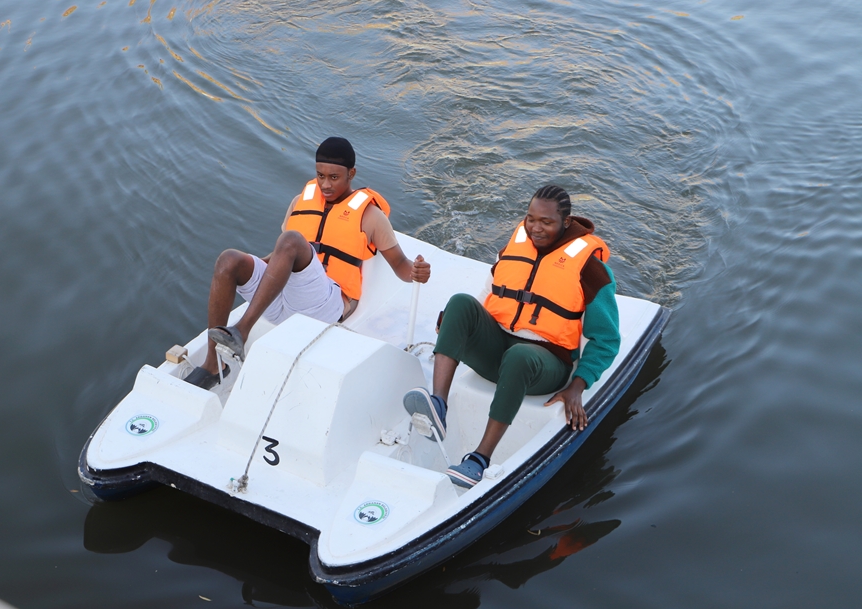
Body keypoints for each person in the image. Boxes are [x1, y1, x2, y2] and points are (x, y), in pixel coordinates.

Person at [403, 185, 620, 488]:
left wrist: (579, 384)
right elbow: (488, 291)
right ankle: (438, 406)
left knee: (519, 356)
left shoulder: (590, 268)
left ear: (566, 222)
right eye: (531, 219)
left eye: (546, 222)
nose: (535, 228)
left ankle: (479, 459)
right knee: (459, 303)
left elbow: (607, 340)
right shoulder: (518, 245)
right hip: (499, 350)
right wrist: (455, 324)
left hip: (545, 365)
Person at [185, 137, 431, 388]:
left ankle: (241, 331)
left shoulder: (370, 216)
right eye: (320, 175)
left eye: (334, 177)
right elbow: (279, 257)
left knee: (291, 240)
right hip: (284, 301)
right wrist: (250, 268)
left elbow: (400, 264)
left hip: (325, 306)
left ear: (351, 174)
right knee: (229, 260)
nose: (325, 184)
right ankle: (212, 363)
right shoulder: (300, 202)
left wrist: (415, 271)